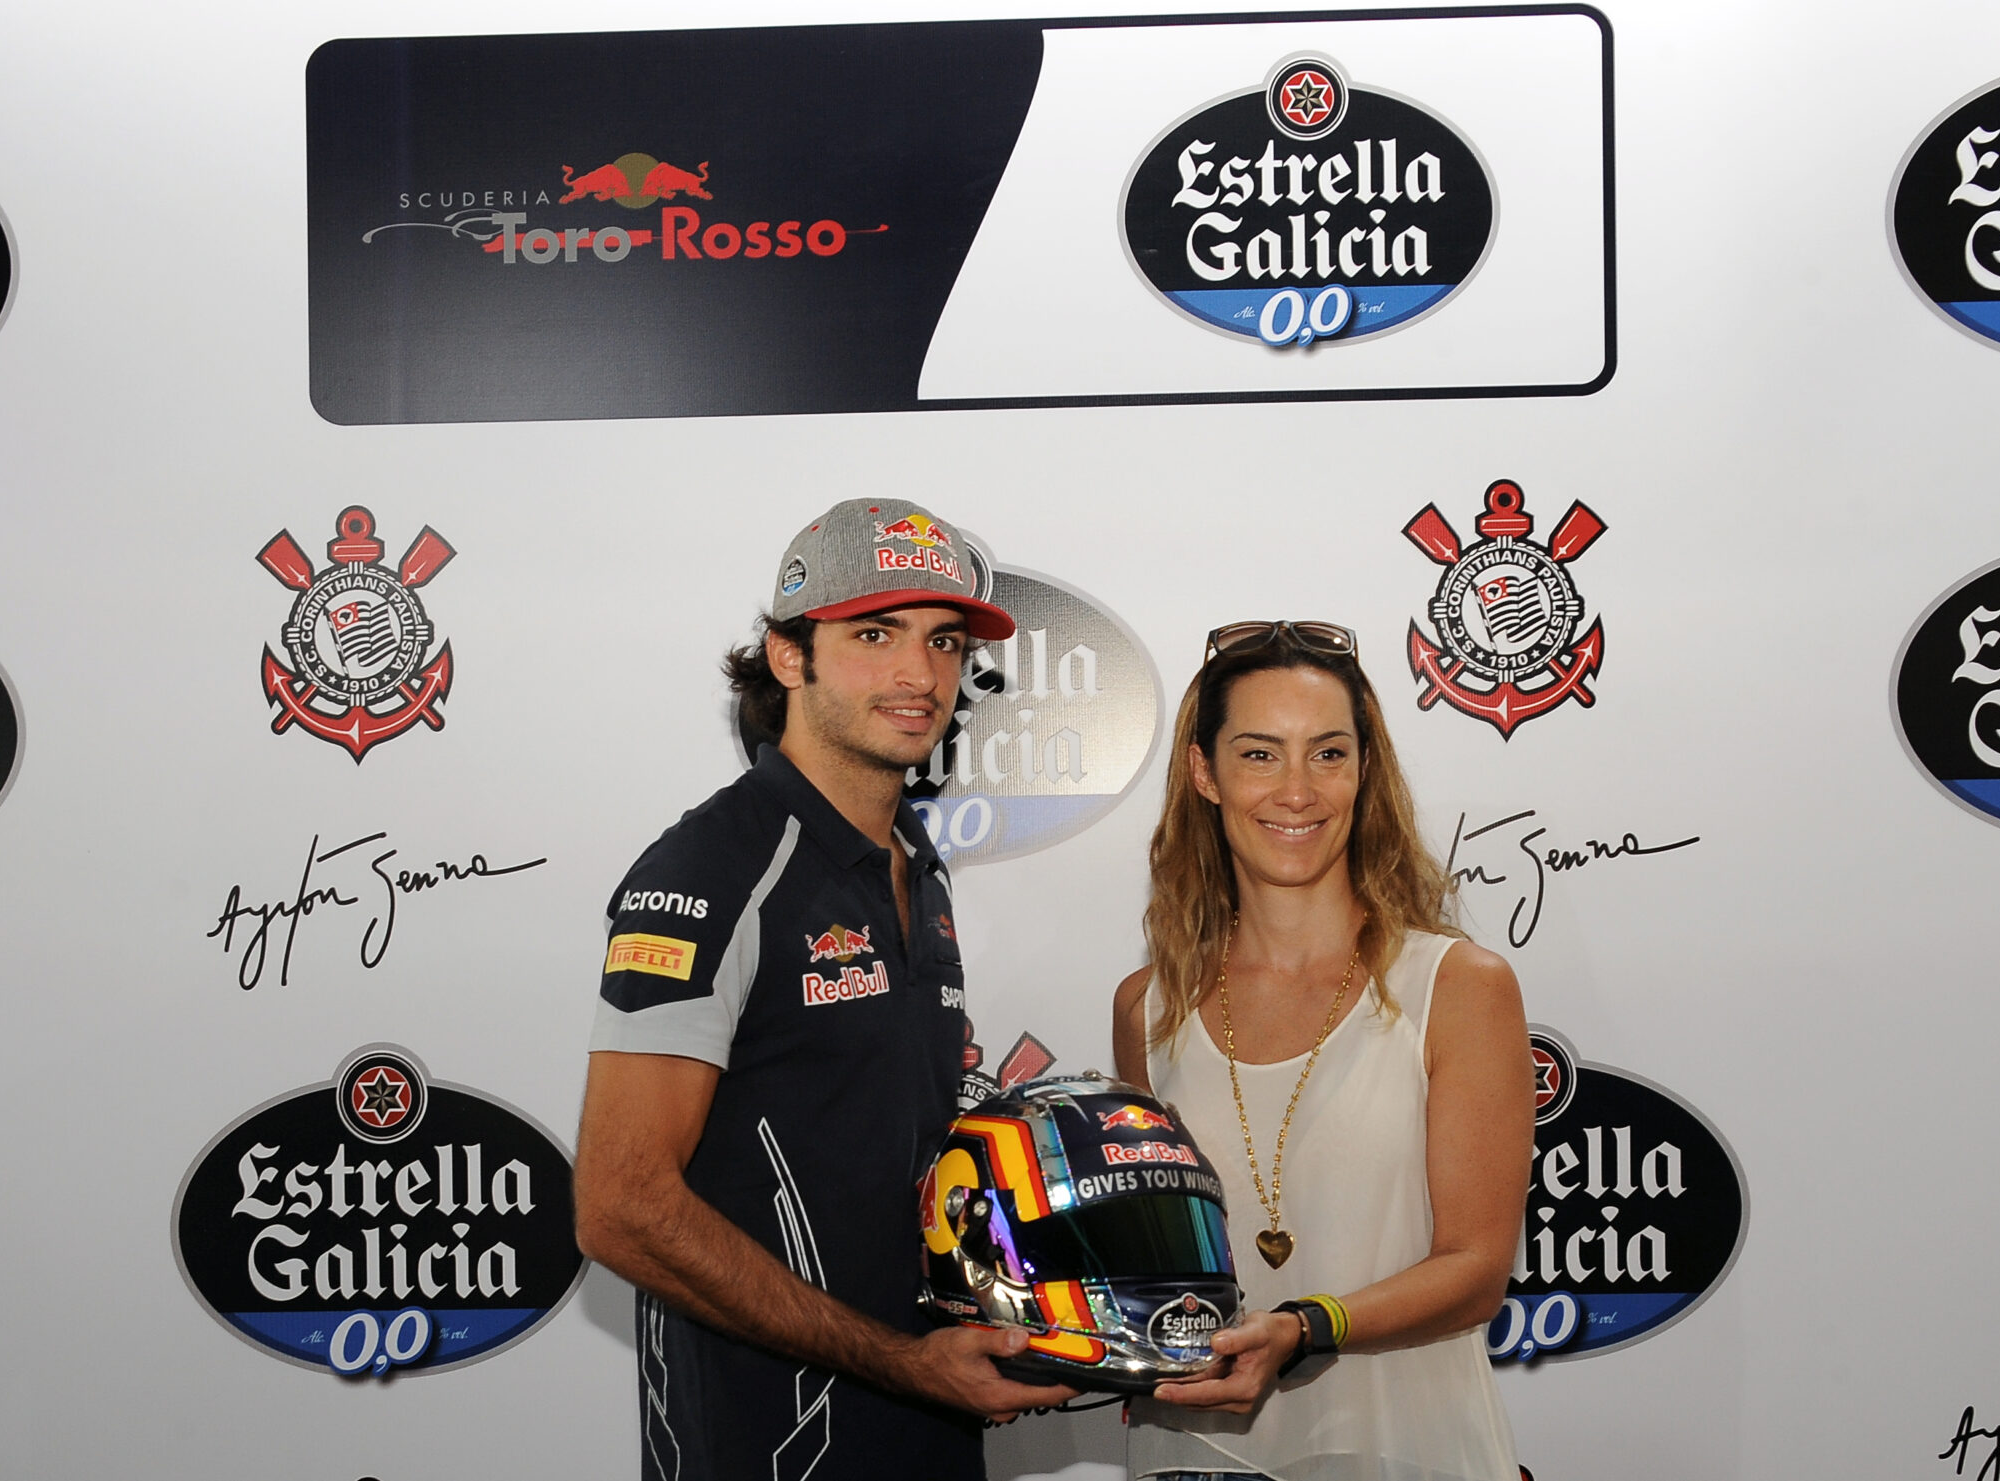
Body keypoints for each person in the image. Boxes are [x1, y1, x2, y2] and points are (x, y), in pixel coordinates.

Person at [575, 497, 1075, 1481]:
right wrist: (900, 1361)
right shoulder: (711, 868)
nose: (918, 673)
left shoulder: (912, 863)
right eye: (874, 633)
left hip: (929, 1424)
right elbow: (619, 1203)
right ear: (788, 656)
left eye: (942, 641)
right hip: (769, 1445)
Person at [1112, 620, 1533, 1481]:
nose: (1297, 790)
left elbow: (1476, 1270)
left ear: (1364, 769)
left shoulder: (1456, 986)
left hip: (1403, 1451)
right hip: (1193, 1456)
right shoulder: (1145, 1008)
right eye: (1260, 754)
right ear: (1205, 773)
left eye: (1328, 753)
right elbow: (1153, 1269)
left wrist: (1305, 1326)